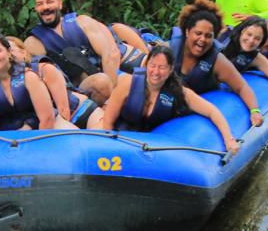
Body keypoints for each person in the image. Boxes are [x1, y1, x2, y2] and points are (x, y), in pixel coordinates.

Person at [101, 46, 240, 155]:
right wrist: (110, 148)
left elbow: (212, 111)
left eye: (162, 67)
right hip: (121, 134)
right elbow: (107, 121)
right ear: (146, 65)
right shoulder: (128, 84)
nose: (156, 72)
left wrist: (229, 140)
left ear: (170, 70)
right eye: (153, 65)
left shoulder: (178, 92)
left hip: (148, 142)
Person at [172, 0, 264, 127]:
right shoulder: (169, 50)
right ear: (187, 31)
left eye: (208, 36)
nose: (202, 40)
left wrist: (255, 111)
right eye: (198, 33)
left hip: (198, 107)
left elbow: (242, 87)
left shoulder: (217, 61)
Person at [23, 0, 122, 86]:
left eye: (50, 2)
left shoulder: (83, 22)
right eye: (40, 4)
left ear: (60, 4)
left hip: (106, 78)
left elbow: (110, 55)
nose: (45, 7)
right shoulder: (33, 43)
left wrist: (110, 91)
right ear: (36, 8)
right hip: (76, 91)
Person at [6, 36, 105, 129]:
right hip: (55, 120)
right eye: (5, 52)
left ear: (23, 53)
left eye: (11, 50)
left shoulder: (43, 68)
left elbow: (63, 109)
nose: (9, 55)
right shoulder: (6, 84)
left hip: (82, 112)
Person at [221, 16, 268, 110]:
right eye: (249, 34)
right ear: (242, 31)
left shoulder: (256, 58)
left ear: (261, 42)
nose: (251, 41)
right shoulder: (223, 36)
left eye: (257, 39)